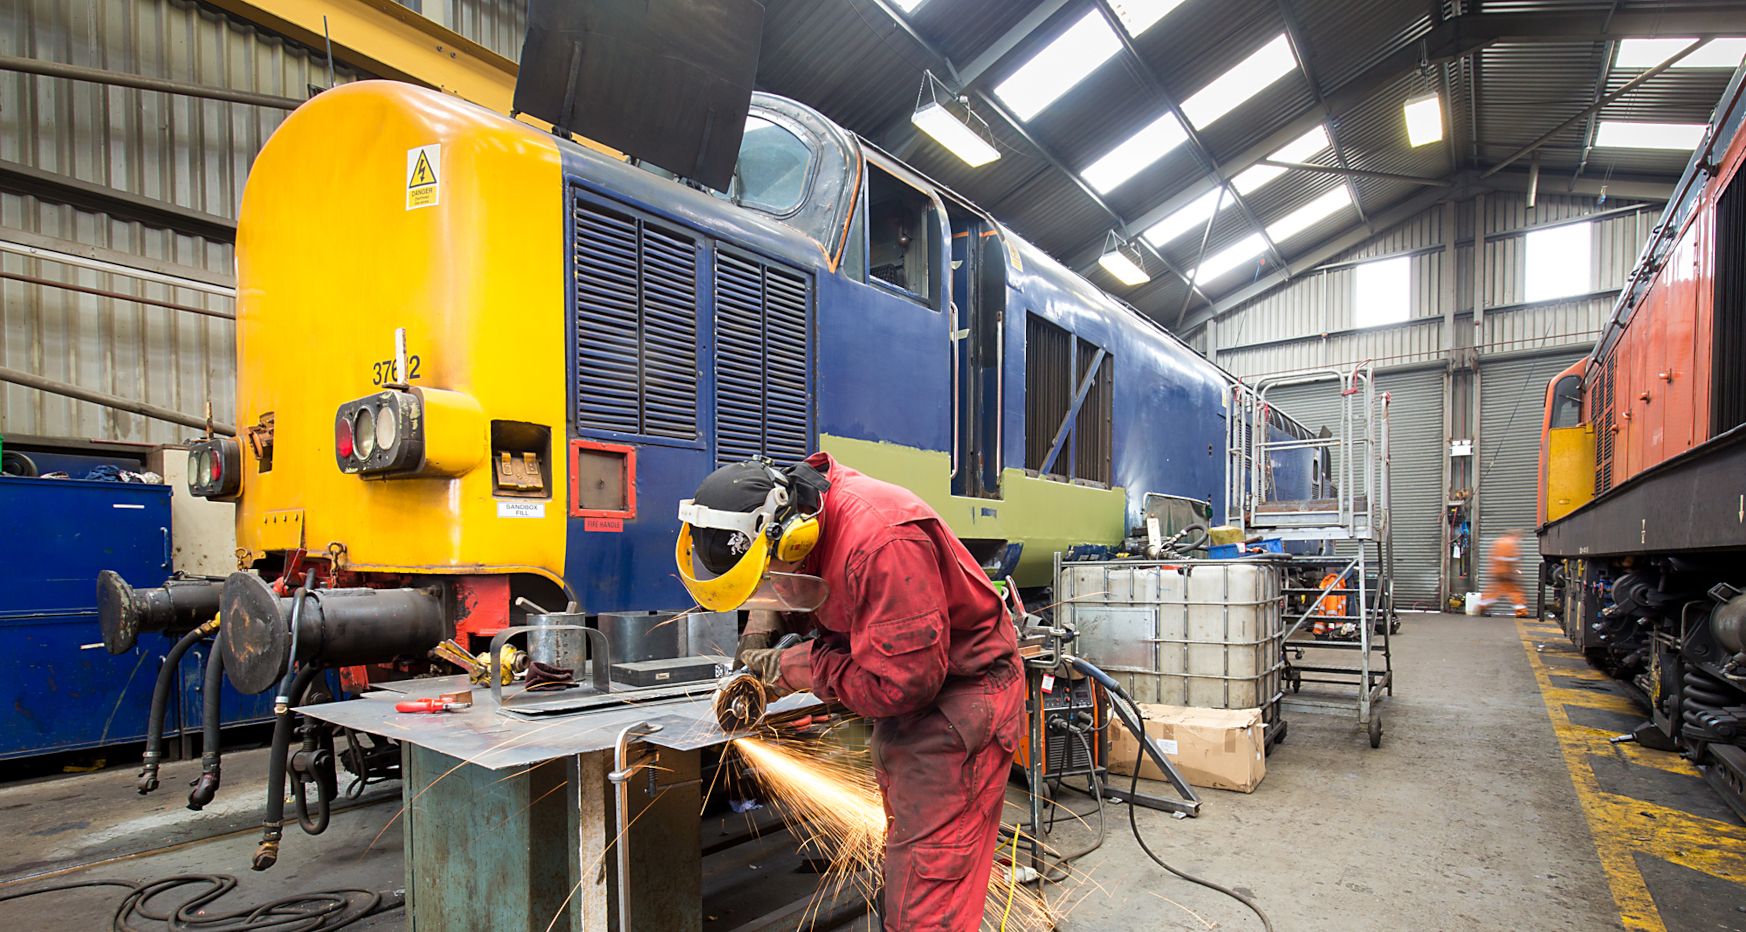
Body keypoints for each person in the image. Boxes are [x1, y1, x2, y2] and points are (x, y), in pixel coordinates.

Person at [676, 453, 1023, 931]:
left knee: (928, 891)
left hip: (959, 700)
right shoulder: (793, 508)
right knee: (907, 857)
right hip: (915, 698)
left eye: (764, 582)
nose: (766, 592)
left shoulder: (881, 543)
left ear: (793, 538)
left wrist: (798, 666)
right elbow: (788, 588)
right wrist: (759, 628)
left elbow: (904, 685)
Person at [1480, 531, 1529, 617]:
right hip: (1506, 572)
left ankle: (1482, 606)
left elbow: (1492, 556)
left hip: (1497, 571)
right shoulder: (1511, 543)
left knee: (1494, 592)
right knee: (1515, 592)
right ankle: (1521, 612)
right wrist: (1515, 571)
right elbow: (1513, 559)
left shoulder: (1498, 542)